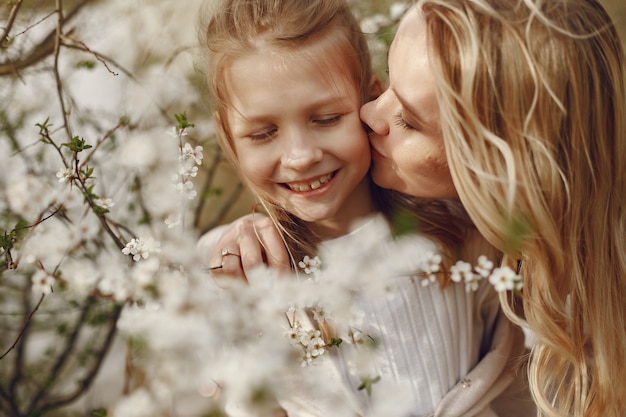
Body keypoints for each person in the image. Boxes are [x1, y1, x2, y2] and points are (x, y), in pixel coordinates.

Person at [205, 0, 626, 416]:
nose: (299, 156)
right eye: (263, 133)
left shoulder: (472, 243)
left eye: (407, 118)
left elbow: (516, 384)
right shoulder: (238, 267)